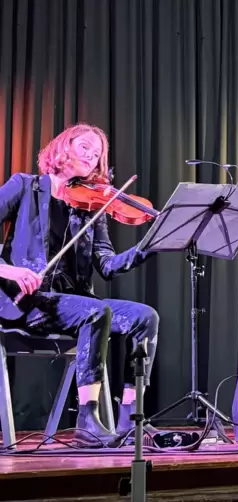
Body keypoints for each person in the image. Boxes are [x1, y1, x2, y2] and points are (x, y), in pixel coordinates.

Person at [0, 123, 160, 447]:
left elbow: (108, 265)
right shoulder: (25, 186)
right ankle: (87, 419)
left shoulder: (92, 207)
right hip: (27, 301)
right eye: (85, 147)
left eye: (97, 153)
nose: (92, 156)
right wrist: (10, 271)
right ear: (63, 147)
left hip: (75, 304)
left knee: (146, 317)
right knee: (96, 311)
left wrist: (151, 245)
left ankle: (132, 417)